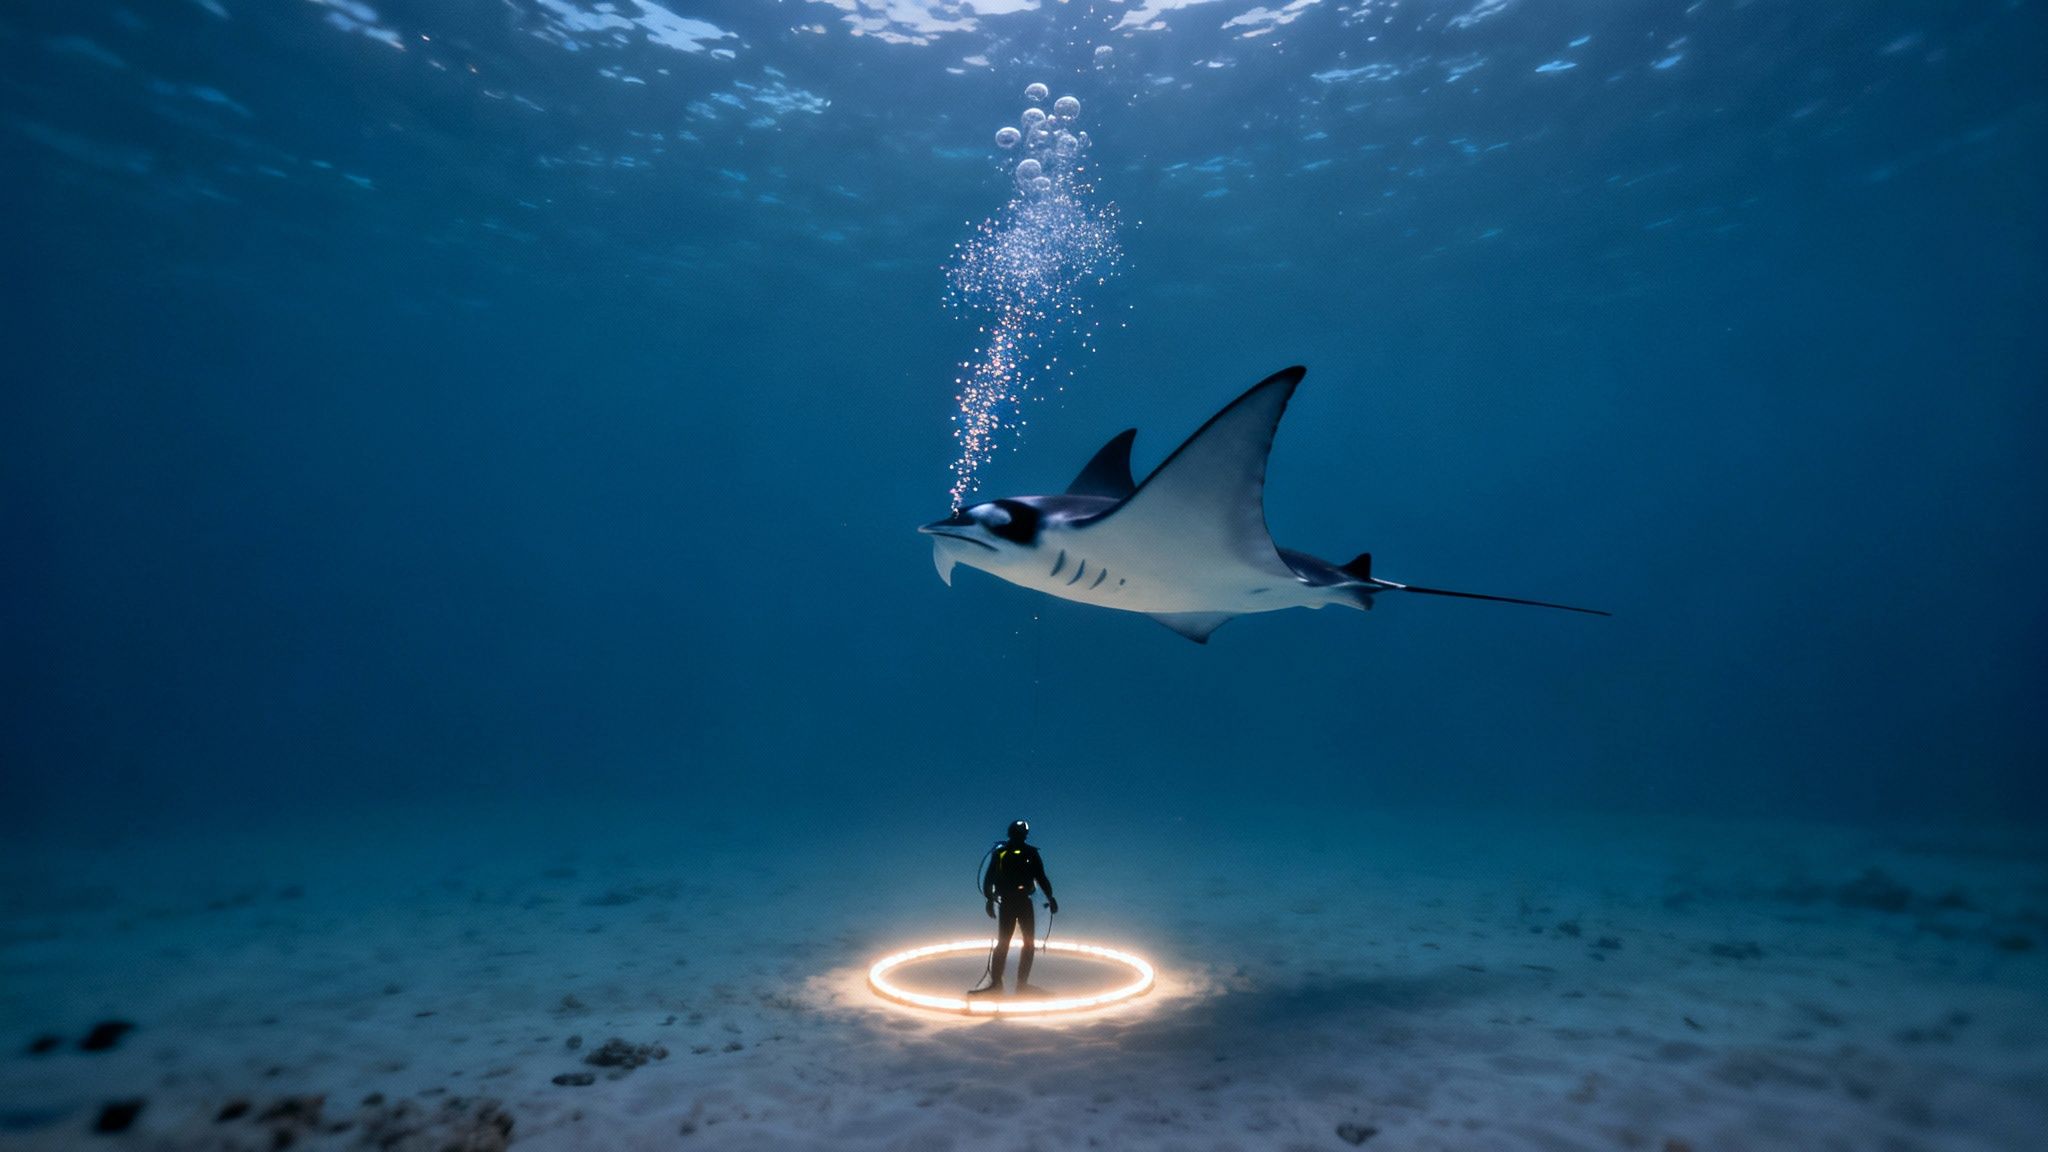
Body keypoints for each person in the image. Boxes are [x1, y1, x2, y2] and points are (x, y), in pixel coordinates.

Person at [970, 819, 1058, 996]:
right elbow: (990, 878)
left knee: (1027, 943)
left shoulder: (1030, 854)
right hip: (1009, 903)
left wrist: (1050, 897)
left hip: (1022, 902)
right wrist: (989, 899)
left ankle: (1020, 984)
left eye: (1021, 834)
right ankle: (997, 984)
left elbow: (1040, 877)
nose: (1020, 837)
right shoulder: (1002, 853)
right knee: (1005, 942)